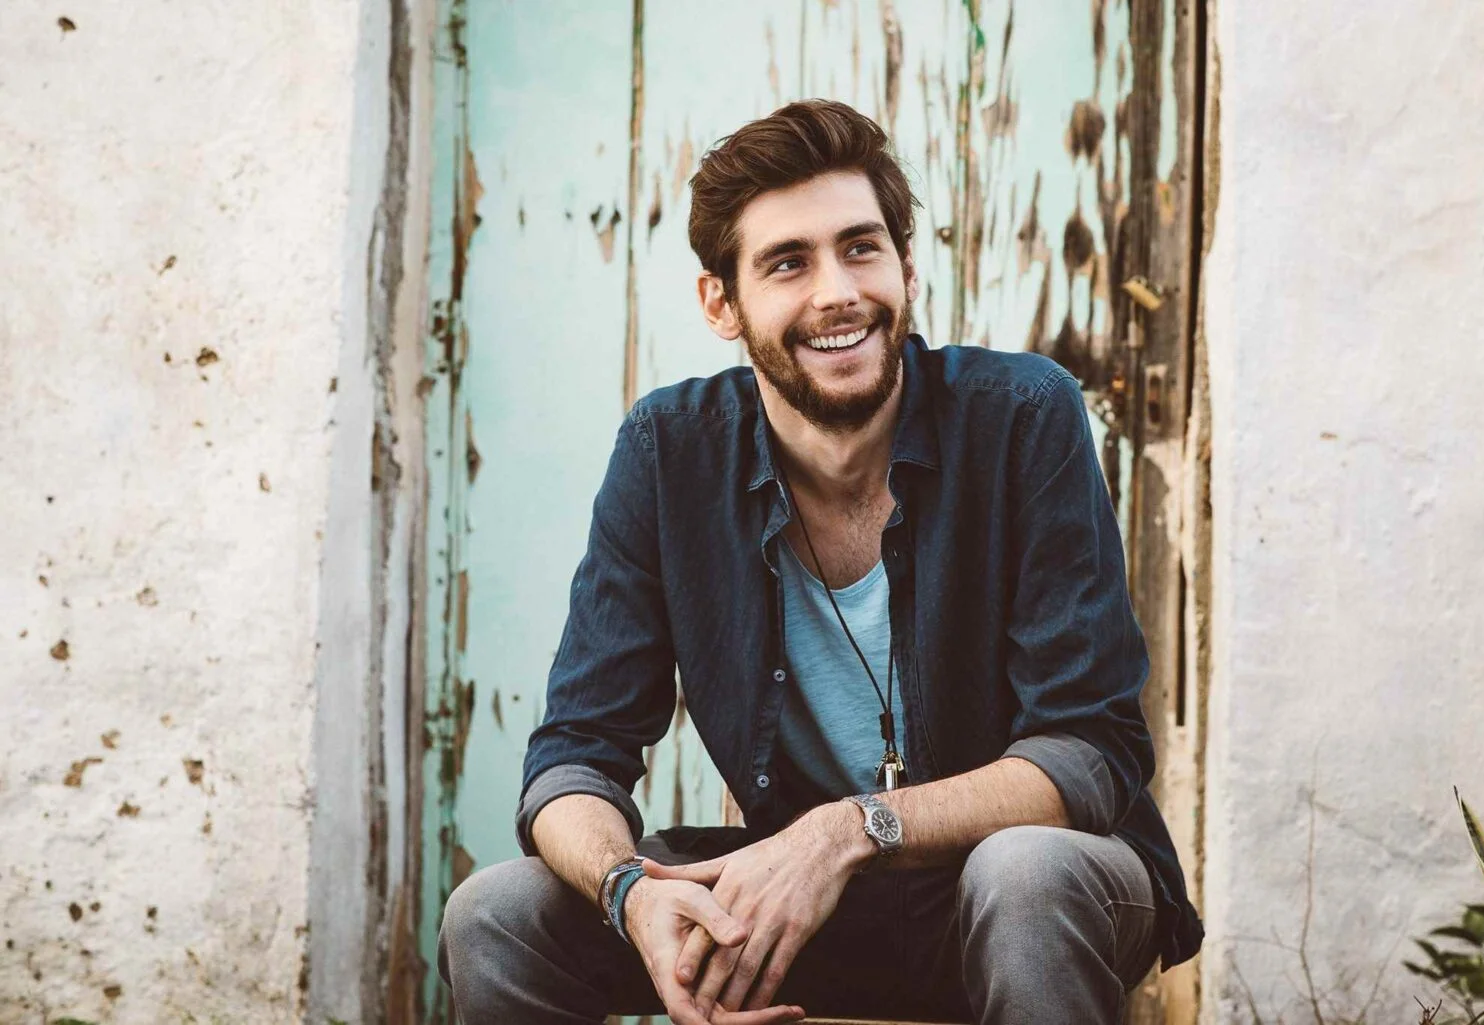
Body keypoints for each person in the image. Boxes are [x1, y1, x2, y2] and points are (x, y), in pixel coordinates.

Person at [437, 98, 1202, 1025]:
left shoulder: (1023, 416)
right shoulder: (668, 452)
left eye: (860, 248)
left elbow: (1087, 750)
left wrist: (849, 830)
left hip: (1012, 891)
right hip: (802, 903)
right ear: (721, 303)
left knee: (1025, 870)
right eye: (788, 262)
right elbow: (573, 757)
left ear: (906, 267)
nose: (836, 291)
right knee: (498, 914)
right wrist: (629, 890)